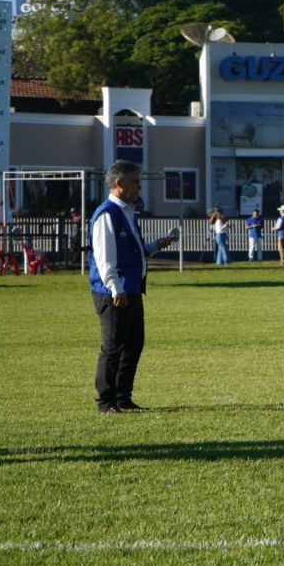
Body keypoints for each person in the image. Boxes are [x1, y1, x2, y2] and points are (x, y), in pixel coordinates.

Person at [88, 160, 176, 414]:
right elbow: (105, 258)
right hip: (114, 292)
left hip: (132, 289)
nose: (139, 187)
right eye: (135, 182)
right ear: (119, 184)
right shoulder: (107, 214)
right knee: (113, 346)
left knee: (134, 343)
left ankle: (123, 396)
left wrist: (159, 244)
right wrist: (116, 288)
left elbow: (136, 250)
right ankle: (106, 402)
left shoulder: (127, 211)